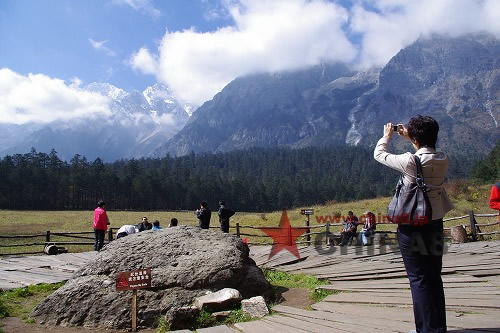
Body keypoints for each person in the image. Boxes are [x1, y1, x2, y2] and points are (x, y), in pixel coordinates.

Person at [374, 115, 454, 333]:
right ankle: (438, 327)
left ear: (416, 139)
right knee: (434, 276)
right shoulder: (443, 158)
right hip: (435, 223)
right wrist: (413, 137)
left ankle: (426, 330)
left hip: (413, 226)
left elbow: (379, 154)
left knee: (418, 279)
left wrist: (386, 137)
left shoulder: (411, 161)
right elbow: (424, 149)